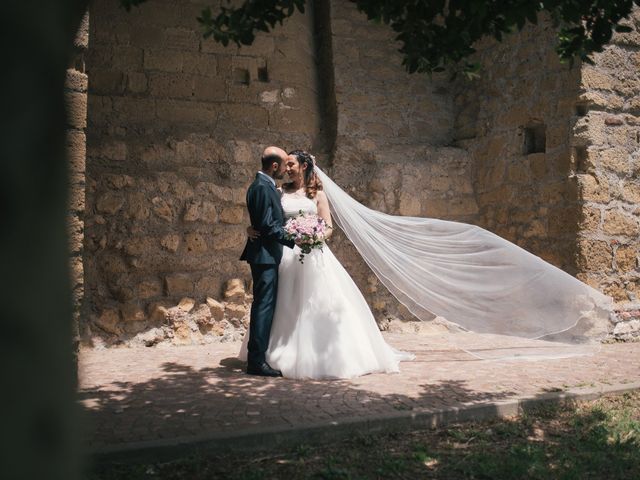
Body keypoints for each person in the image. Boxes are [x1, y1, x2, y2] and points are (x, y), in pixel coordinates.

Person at [240, 150, 414, 379]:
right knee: (282, 303)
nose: (288, 169)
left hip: (312, 253)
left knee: (317, 302)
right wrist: (252, 228)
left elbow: (328, 227)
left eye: (292, 164)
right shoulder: (279, 191)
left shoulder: (318, 195)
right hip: (287, 254)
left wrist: (314, 236)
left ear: (303, 166)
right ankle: (273, 352)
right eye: (286, 164)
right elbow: (268, 218)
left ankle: (321, 353)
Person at [239, 146, 295, 377]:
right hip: (264, 256)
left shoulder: (264, 186)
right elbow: (267, 225)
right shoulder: (262, 188)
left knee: (265, 306)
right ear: (274, 166)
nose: (285, 170)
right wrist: (295, 239)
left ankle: (260, 356)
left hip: (267, 255)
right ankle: (256, 362)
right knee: (263, 307)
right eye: (283, 165)